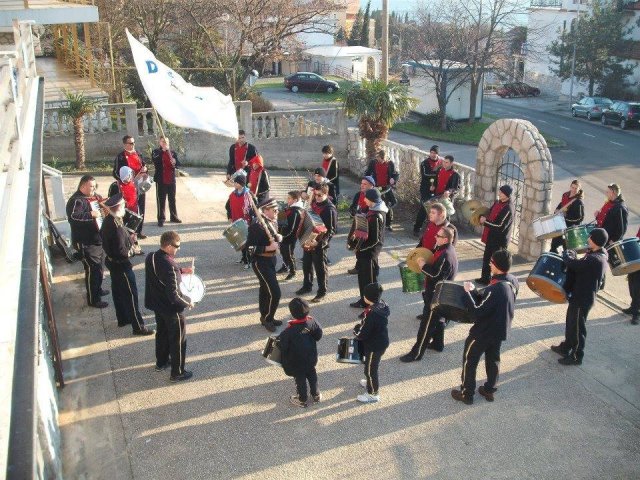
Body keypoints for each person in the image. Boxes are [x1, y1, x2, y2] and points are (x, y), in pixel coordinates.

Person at [451, 249, 519, 405]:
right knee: (493, 359)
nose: (489, 264)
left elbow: (477, 312)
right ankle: (489, 389)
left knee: (470, 360)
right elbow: (495, 303)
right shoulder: (513, 281)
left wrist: (467, 293)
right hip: (500, 330)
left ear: (497, 266)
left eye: (491, 262)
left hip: (483, 332)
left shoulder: (495, 289)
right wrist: (476, 291)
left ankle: (467, 394)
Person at [551, 228, 609, 365]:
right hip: (578, 295)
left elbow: (575, 265)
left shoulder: (596, 259)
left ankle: (577, 356)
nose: (588, 239)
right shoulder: (597, 253)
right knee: (571, 324)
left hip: (582, 298)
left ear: (595, 241)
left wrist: (568, 254)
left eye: (590, 237)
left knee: (578, 329)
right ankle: (566, 347)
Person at [400, 226, 458, 362]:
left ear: (445, 239)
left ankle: (416, 354)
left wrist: (422, 265)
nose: (435, 237)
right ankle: (438, 344)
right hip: (438, 294)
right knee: (438, 320)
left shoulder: (446, 255)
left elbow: (435, 275)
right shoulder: (443, 249)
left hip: (436, 296)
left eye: (438, 236)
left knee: (426, 325)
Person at [100, 193, 154, 336]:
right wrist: (132, 249)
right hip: (121, 265)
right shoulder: (116, 226)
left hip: (113, 264)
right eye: (123, 205)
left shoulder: (110, 220)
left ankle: (123, 318)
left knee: (118, 292)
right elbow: (121, 251)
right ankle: (138, 327)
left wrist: (129, 238)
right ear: (118, 207)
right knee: (131, 296)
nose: (125, 207)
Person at [145, 231, 195, 382]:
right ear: (168, 246)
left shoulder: (151, 256)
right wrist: (188, 302)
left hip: (158, 305)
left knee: (162, 334)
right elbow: (174, 295)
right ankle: (177, 372)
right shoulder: (170, 265)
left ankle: (161, 362)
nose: (178, 249)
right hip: (171, 309)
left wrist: (182, 271)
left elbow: (162, 274)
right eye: (176, 246)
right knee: (178, 340)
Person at [66, 175, 108, 308]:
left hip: (97, 240)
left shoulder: (94, 197)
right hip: (86, 242)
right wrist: (91, 214)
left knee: (99, 268)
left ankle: (98, 290)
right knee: (93, 270)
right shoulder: (76, 201)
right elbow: (74, 217)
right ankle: (93, 299)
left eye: (95, 186)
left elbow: (101, 207)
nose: (94, 189)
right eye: (91, 186)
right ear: (83, 186)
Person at [296, 184, 337, 303]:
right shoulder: (313, 203)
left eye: (320, 195)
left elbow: (331, 231)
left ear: (326, 194)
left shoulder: (330, 209)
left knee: (320, 268)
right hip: (309, 239)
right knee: (306, 265)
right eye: (316, 195)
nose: (317, 197)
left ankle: (322, 291)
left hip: (319, 244)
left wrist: (319, 244)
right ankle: (307, 286)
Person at [278, 297, 323, 408]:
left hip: (296, 362)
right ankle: (316, 394)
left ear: (292, 314)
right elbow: (318, 335)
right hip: (311, 357)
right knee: (312, 374)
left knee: (300, 379)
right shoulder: (312, 321)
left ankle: (302, 399)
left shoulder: (288, 331)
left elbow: (282, 346)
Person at [348, 188, 387, 314]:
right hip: (364, 252)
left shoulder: (377, 216)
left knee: (369, 281)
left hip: (369, 253)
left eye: (366, 198)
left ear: (372, 200)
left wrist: (360, 248)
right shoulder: (371, 210)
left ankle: (371, 307)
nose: (364, 200)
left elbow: (376, 240)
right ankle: (363, 300)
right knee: (362, 277)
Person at [246, 198, 282, 331]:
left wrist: (278, 237)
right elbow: (249, 249)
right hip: (261, 263)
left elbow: (272, 238)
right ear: (265, 210)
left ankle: (265, 316)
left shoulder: (270, 221)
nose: (277, 212)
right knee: (275, 293)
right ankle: (268, 318)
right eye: (274, 210)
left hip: (271, 260)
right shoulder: (257, 225)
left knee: (265, 289)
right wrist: (268, 248)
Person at [353, 282, 390, 404]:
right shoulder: (382, 305)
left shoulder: (372, 314)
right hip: (381, 341)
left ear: (368, 298)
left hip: (374, 346)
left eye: (364, 295)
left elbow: (363, 333)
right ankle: (370, 383)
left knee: (370, 370)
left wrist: (356, 331)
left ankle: (373, 394)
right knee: (371, 366)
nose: (363, 297)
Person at [477, 185, 515, 285]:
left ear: (507, 195)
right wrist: (482, 216)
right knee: (486, 258)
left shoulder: (508, 208)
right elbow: (489, 213)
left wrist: (485, 222)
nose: (499, 193)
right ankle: (485, 278)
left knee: (497, 263)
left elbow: (500, 226)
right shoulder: (497, 202)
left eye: (501, 192)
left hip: (499, 240)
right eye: (499, 191)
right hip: (491, 237)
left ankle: (497, 282)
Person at [113, 135, 148, 239]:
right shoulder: (120, 157)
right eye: (131, 143)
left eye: (134, 143)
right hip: (128, 186)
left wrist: (145, 170)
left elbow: (144, 165)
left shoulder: (138, 153)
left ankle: (139, 231)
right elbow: (115, 172)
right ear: (125, 144)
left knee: (141, 207)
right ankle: (129, 233)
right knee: (130, 209)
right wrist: (126, 180)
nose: (133, 145)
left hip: (140, 184)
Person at [347, 176, 376, 275]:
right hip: (359, 224)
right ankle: (358, 267)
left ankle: (374, 270)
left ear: (371, 186)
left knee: (370, 250)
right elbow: (352, 207)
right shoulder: (358, 194)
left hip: (369, 225)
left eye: (365, 184)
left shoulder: (375, 196)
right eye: (361, 183)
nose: (362, 186)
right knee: (358, 246)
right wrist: (353, 211)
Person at [225, 175, 255, 268]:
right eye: (234, 182)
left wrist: (252, 219)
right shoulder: (232, 194)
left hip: (246, 222)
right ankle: (244, 258)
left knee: (247, 242)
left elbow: (254, 208)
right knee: (240, 240)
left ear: (242, 184)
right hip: (236, 220)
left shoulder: (248, 195)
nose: (234, 184)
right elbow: (227, 206)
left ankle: (248, 261)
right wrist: (229, 216)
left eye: (236, 182)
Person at [152, 136, 182, 227]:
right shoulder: (156, 152)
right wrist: (163, 151)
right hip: (161, 180)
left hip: (171, 179)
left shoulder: (172, 153)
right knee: (161, 200)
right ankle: (161, 218)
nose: (165, 143)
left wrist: (175, 161)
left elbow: (178, 165)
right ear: (160, 142)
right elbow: (155, 160)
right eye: (163, 141)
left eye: (166, 141)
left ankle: (174, 216)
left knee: (172, 199)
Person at [365, 150, 398, 231]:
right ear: (377, 157)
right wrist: (368, 182)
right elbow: (367, 173)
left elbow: (395, 174)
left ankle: (388, 224)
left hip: (386, 187)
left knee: (388, 205)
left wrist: (393, 179)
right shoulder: (373, 163)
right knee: (374, 205)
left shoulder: (390, 163)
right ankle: (373, 222)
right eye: (380, 158)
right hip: (376, 188)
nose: (381, 160)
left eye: (383, 159)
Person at [413, 145, 443, 235]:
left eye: (435, 153)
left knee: (436, 210)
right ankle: (417, 228)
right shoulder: (424, 163)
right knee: (424, 209)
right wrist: (437, 173)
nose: (432, 154)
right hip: (425, 189)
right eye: (431, 152)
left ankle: (434, 229)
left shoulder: (441, 162)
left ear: (438, 154)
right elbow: (425, 174)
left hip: (436, 190)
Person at [550, 180, 584, 253]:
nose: (573, 190)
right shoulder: (565, 195)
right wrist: (557, 209)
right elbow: (561, 204)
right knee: (554, 246)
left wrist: (566, 217)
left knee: (566, 249)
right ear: (570, 187)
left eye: (576, 188)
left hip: (569, 229)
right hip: (560, 225)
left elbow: (580, 218)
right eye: (572, 187)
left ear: (579, 189)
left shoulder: (579, 202)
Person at [277, 191, 304, 280]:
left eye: (289, 198)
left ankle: (293, 272)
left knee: (289, 254)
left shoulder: (295, 212)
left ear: (295, 200)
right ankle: (285, 267)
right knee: (283, 252)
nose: (287, 200)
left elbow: (292, 228)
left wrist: (283, 236)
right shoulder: (289, 208)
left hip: (289, 238)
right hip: (283, 236)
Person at [116, 166, 143, 255]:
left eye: (131, 174)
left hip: (134, 210)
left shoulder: (133, 183)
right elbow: (113, 200)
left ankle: (134, 247)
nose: (130, 176)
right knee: (124, 232)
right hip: (123, 212)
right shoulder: (116, 185)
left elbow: (136, 196)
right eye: (129, 175)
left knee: (133, 231)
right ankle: (126, 249)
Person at [622, 227, 640, 325]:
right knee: (632, 283)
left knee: (637, 288)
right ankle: (633, 306)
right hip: (637, 257)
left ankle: (636, 313)